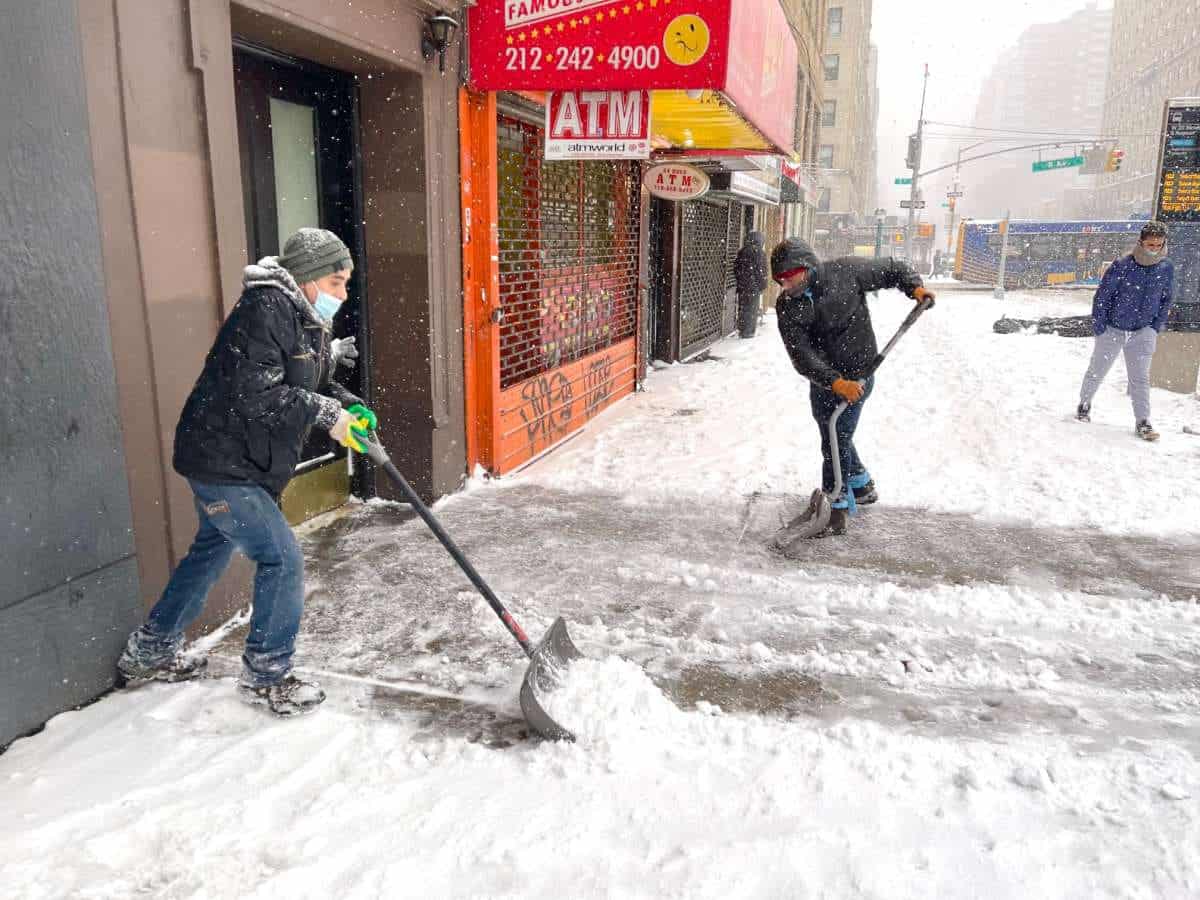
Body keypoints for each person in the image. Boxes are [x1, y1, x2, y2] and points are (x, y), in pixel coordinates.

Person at [116, 228, 371, 716]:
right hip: (223, 462)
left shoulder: (301, 317)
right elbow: (256, 394)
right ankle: (266, 676)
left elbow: (306, 380)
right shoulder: (266, 311)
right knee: (281, 559)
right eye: (336, 283)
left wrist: (348, 405)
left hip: (240, 461)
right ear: (307, 278)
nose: (342, 295)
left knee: (210, 552)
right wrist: (325, 415)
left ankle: (150, 651)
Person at [771, 237, 934, 536]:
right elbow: (801, 355)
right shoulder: (788, 307)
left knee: (837, 436)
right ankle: (860, 483)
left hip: (859, 375)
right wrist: (834, 382)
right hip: (825, 380)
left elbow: (892, 269)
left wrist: (915, 287)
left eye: (788, 276)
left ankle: (837, 503)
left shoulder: (845, 272)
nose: (784, 284)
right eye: (780, 279)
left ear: (805, 268)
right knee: (830, 430)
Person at [1076, 221, 1174, 441]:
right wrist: (1100, 327)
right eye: (1151, 244)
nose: (1155, 248)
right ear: (1141, 242)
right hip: (1113, 329)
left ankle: (1143, 421)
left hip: (1143, 332)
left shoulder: (1166, 268)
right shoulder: (1122, 265)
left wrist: (1154, 327)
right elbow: (1102, 297)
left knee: (1140, 378)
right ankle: (1084, 403)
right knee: (1097, 370)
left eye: (1159, 244)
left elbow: (1167, 300)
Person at [735, 231, 769, 339]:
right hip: (754, 286)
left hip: (743, 286)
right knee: (752, 308)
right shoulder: (760, 253)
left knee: (743, 307)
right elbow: (762, 271)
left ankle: (742, 329)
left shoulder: (742, 251)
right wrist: (762, 284)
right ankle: (749, 331)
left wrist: (740, 279)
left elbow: (736, 267)